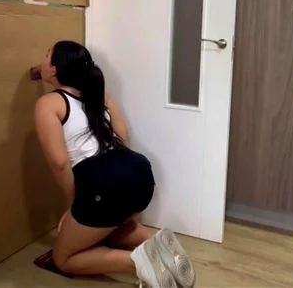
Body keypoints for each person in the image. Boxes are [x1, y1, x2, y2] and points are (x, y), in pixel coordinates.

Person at [31, 40, 196, 287]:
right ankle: (159, 246)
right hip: (138, 171)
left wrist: (73, 205)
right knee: (108, 230)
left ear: (54, 69)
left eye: (46, 56)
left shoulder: (48, 103)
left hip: (103, 184)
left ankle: (139, 262)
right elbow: (123, 134)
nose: (42, 61)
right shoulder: (98, 94)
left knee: (63, 258)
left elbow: (60, 163)